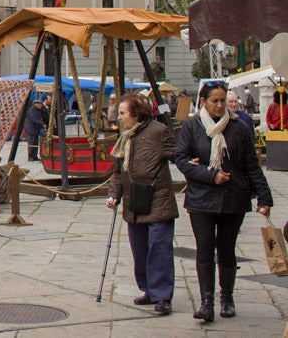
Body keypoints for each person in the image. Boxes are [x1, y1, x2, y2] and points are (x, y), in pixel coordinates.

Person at [175, 80, 273, 323]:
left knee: (227, 250)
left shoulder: (239, 127)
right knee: (205, 250)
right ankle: (206, 302)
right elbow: (182, 159)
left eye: (222, 101)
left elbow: (251, 164)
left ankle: (227, 298)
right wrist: (211, 175)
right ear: (203, 102)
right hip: (201, 199)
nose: (219, 105)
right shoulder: (192, 126)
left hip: (233, 198)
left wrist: (265, 196)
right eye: (214, 101)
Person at [106, 93, 178, 316]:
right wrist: (113, 194)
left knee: (159, 248)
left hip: (157, 199)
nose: (119, 118)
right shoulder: (124, 138)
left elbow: (176, 154)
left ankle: (163, 295)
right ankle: (148, 289)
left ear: (137, 115)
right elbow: (118, 172)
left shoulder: (158, 131)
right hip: (134, 201)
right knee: (140, 249)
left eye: (122, 113)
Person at [24, 95, 49, 161]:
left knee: (35, 142)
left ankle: (35, 156)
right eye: (40, 104)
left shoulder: (37, 110)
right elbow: (34, 119)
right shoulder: (32, 110)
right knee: (31, 143)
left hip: (35, 129)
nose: (41, 106)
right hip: (31, 128)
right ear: (36, 104)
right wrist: (42, 123)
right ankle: (30, 156)